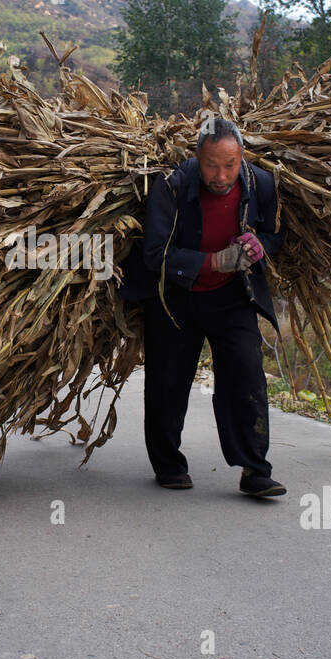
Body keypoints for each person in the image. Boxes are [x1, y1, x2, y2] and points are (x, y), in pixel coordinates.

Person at [121, 117, 286, 497]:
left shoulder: (259, 183)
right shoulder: (173, 186)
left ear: (241, 157)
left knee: (247, 376)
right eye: (212, 164)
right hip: (176, 297)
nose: (221, 175)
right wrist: (212, 262)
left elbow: (275, 233)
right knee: (167, 381)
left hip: (232, 297)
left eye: (230, 164)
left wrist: (259, 246)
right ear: (197, 157)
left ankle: (255, 470)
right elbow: (154, 254)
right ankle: (169, 465)